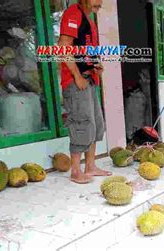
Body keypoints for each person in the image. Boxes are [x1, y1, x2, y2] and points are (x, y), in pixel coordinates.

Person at [59, 0, 112, 184]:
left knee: (95, 124)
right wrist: (76, 76)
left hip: (89, 79)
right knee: (81, 122)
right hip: (76, 81)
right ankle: (75, 171)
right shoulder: (72, 13)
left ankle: (90, 166)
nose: (100, 3)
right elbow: (63, 46)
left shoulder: (88, 18)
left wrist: (95, 67)